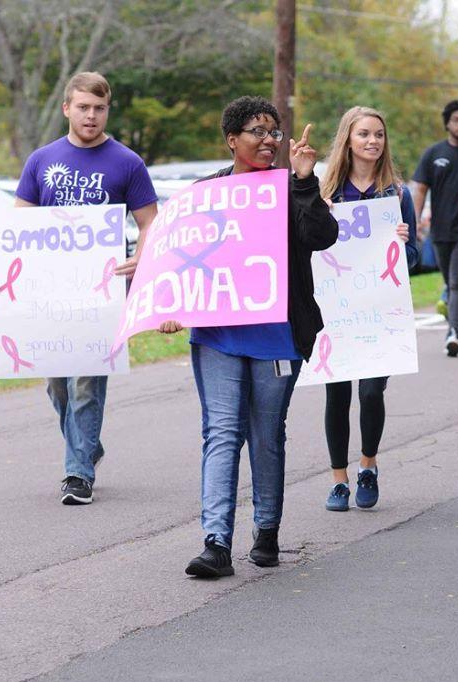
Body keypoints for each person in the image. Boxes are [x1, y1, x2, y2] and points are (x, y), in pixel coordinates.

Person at [172, 96, 338, 577]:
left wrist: (305, 179)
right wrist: (171, 306)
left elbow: (322, 236)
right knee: (222, 433)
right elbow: (183, 255)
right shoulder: (206, 193)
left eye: (275, 132)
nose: (269, 141)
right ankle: (216, 542)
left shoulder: (291, 188)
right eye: (256, 132)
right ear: (231, 140)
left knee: (266, 436)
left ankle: (266, 532)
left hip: (278, 337)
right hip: (219, 336)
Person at [3, 72, 158, 506]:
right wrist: (7, 275)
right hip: (49, 295)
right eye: (83, 107)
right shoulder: (40, 160)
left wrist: (144, 258)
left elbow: (150, 222)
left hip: (101, 293)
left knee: (85, 384)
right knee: (57, 386)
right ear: (67, 108)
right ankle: (86, 443)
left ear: (108, 110)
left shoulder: (127, 162)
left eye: (99, 108)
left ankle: (77, 474)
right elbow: (20, 226)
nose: (91, 115)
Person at [318, 106, 419, 512]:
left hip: (380, 311)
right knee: (337, 393)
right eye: (364, 134)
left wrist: (401, 243)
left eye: (378, 134)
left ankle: (368, 465)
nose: (372, 141)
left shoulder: (396, 194)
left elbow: (413, 259)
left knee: (372, 390)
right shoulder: (326, 194)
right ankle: (339, 479)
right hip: (336, 311)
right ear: (348, 139)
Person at [413, 99, 458, 356]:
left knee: (457, 281)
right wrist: (416, 220)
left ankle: (455, 333)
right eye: (456, 119)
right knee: (450, 281)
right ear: (447, 123)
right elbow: (419, 189)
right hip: (440, 230)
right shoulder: (434, 153)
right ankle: (456, 330)